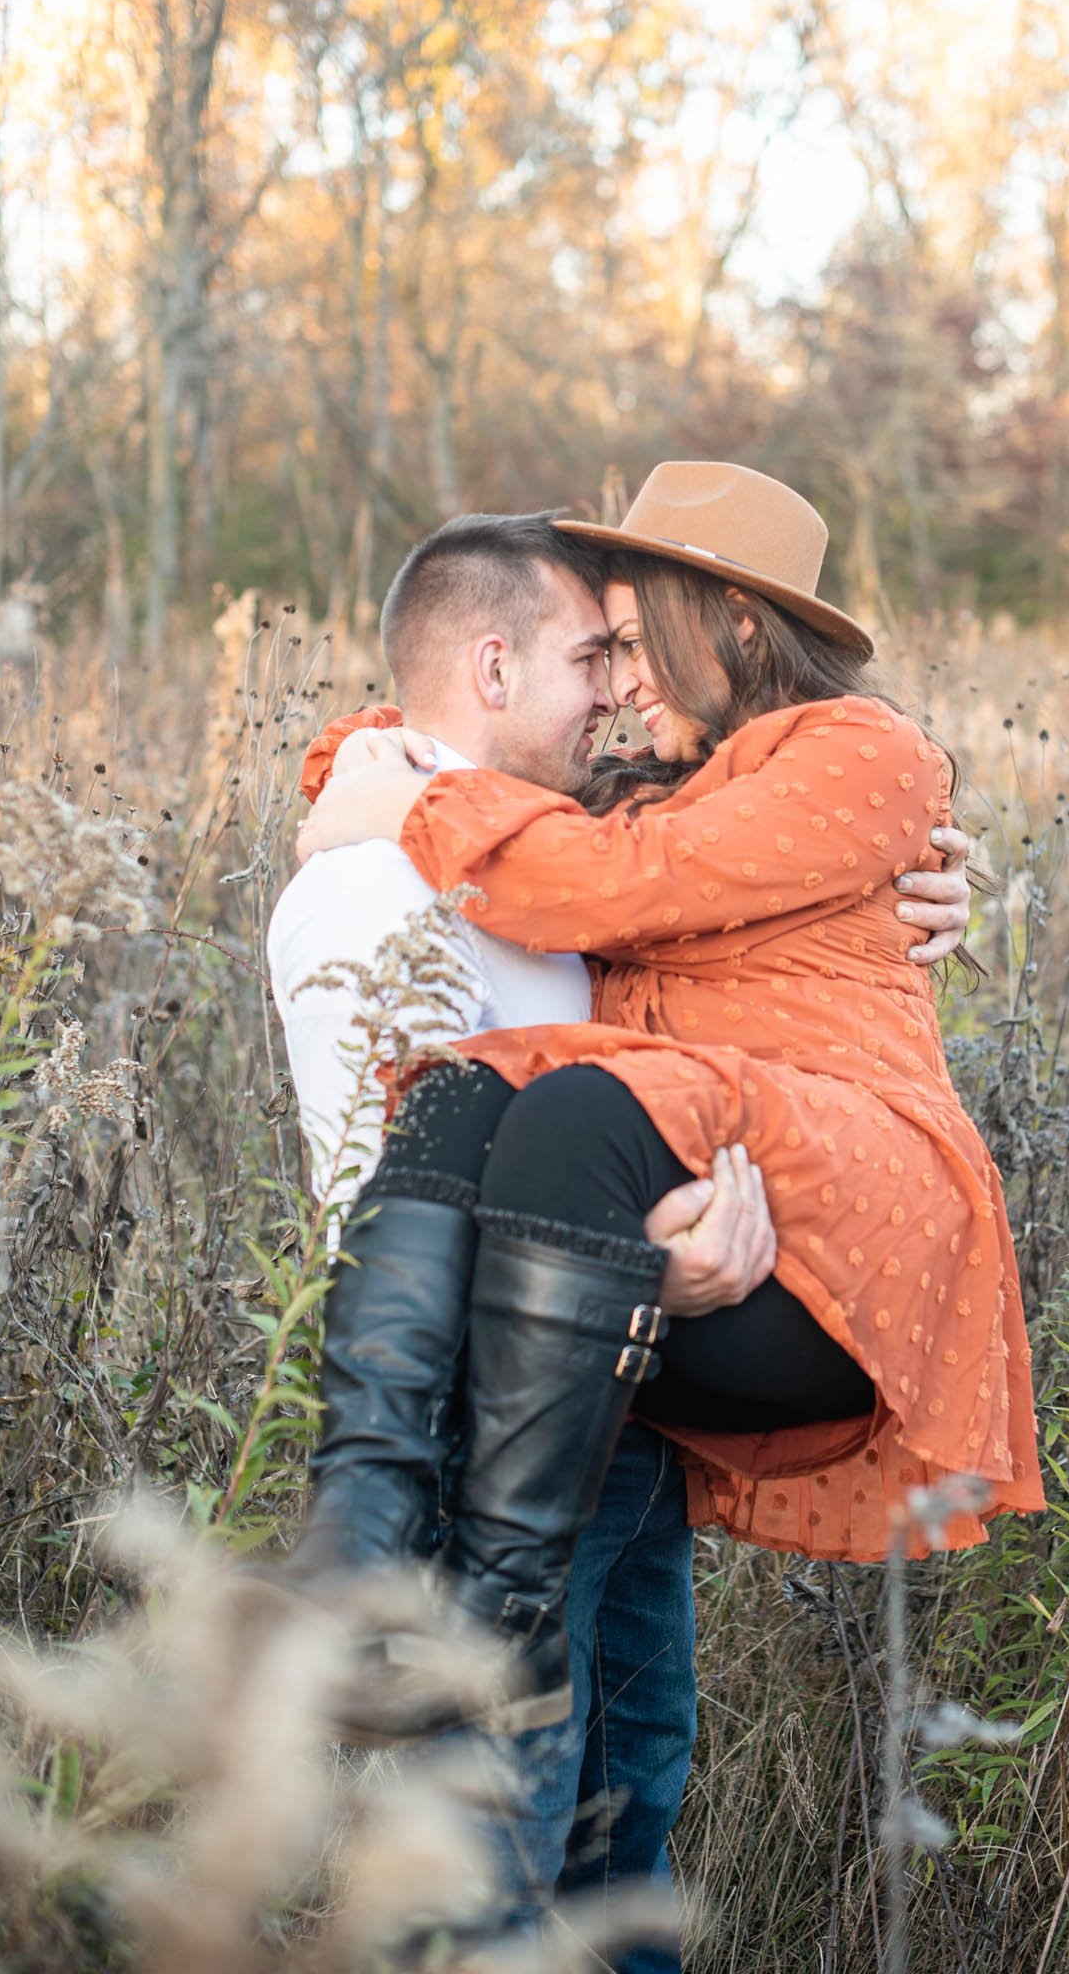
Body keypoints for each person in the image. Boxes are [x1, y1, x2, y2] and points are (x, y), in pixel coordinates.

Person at [268, 498, 972, 1971]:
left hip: (648, 1377)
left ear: (732, 627)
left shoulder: (597, 834)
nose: (621, 687)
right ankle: (381, 1545)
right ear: (497, 671)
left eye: (634, 646)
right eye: (600, 653)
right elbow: (387, 1180)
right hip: (509, 1381)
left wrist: (928, 884)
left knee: (628, 1798)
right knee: (505, 1827)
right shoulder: (379, 884)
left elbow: (672, 897)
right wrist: (368, 778)